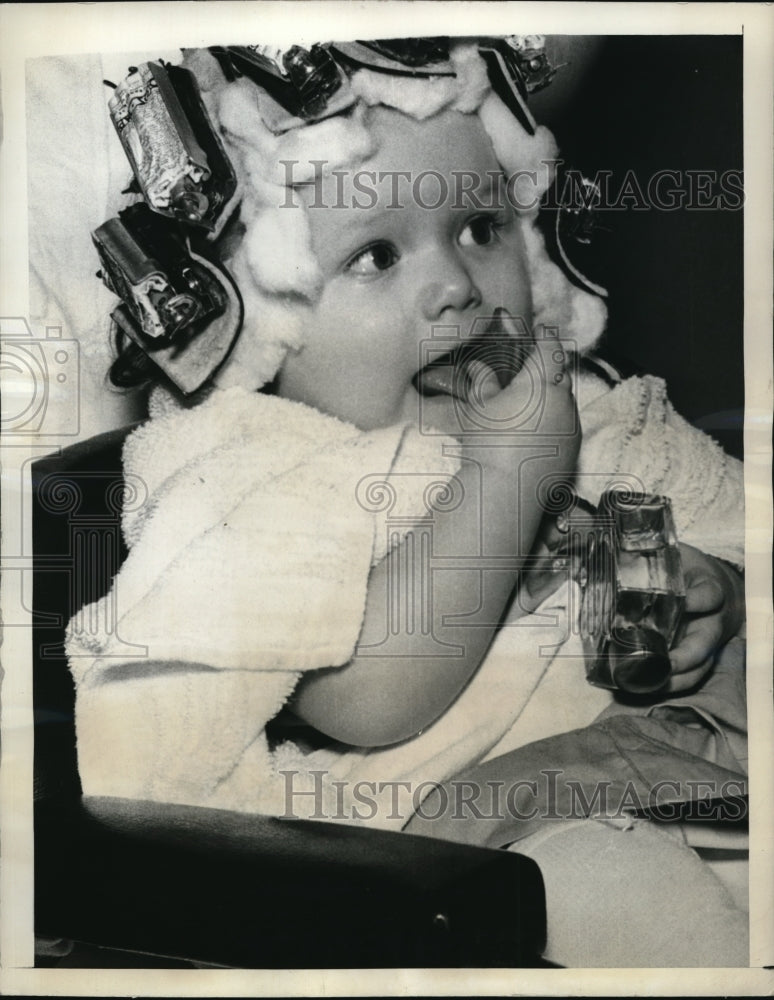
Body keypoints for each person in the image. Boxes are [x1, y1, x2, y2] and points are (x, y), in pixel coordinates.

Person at [64, 38, 748, 966]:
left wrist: (717, 593)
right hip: (461, 861)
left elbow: (723, 514)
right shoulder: (260, 471)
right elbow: (369, 698)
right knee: (632, 903)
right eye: (377, 255)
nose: (458, 286)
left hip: (679, 782)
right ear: (266, 331)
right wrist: (511, 474)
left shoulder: (584, 408)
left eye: (480, 229)